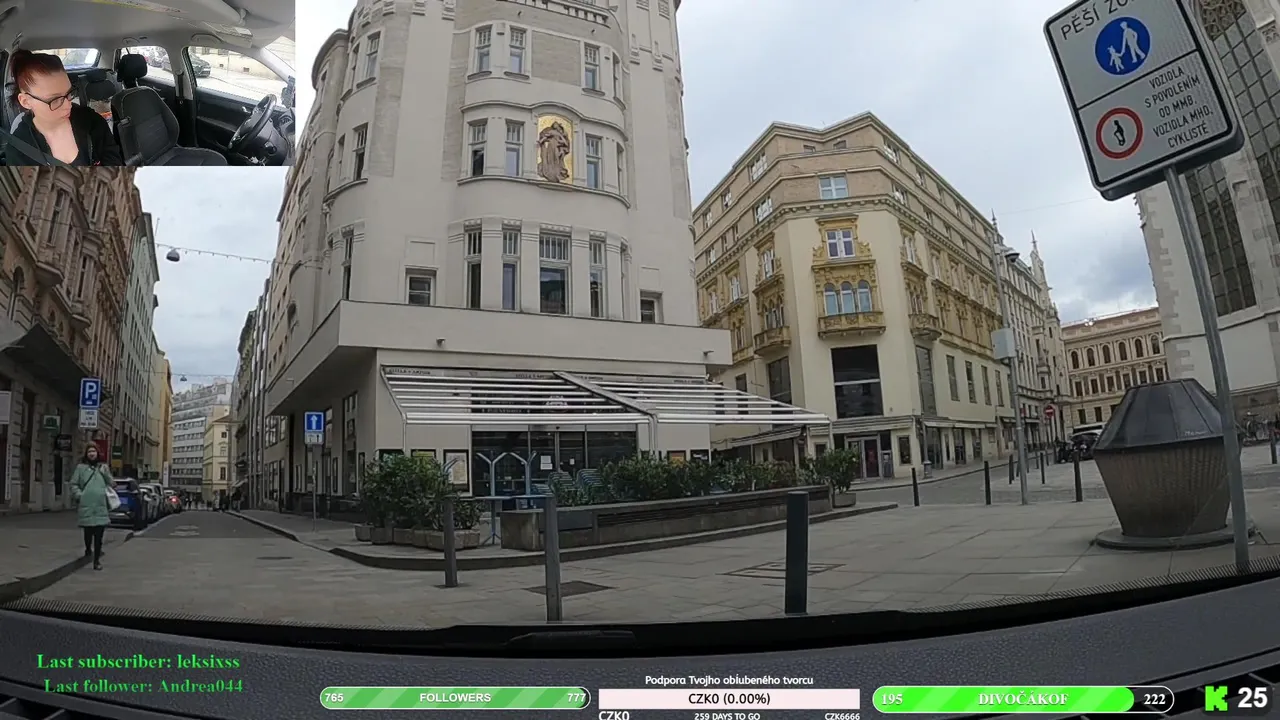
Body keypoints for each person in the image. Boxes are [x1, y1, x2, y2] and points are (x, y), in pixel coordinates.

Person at [4, 50, 123, 166]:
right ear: (26, 102)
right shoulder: (18, 150)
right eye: (55, 99)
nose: (68, 105)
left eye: (69, 93)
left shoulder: (93, 122)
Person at [69, 445, 114, 571]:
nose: (92, 453)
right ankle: (88, 549)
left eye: (94, 451)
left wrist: (106, 473)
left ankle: (96, 561)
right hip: (86, 505)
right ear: (86, 454)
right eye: (89, 451)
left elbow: (112, 483)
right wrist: (80, 495)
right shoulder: (81, 468)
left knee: (99, 536)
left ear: (97, 453)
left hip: (100, 506)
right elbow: (73, 484)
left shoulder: (103, 467)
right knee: (88, 532)